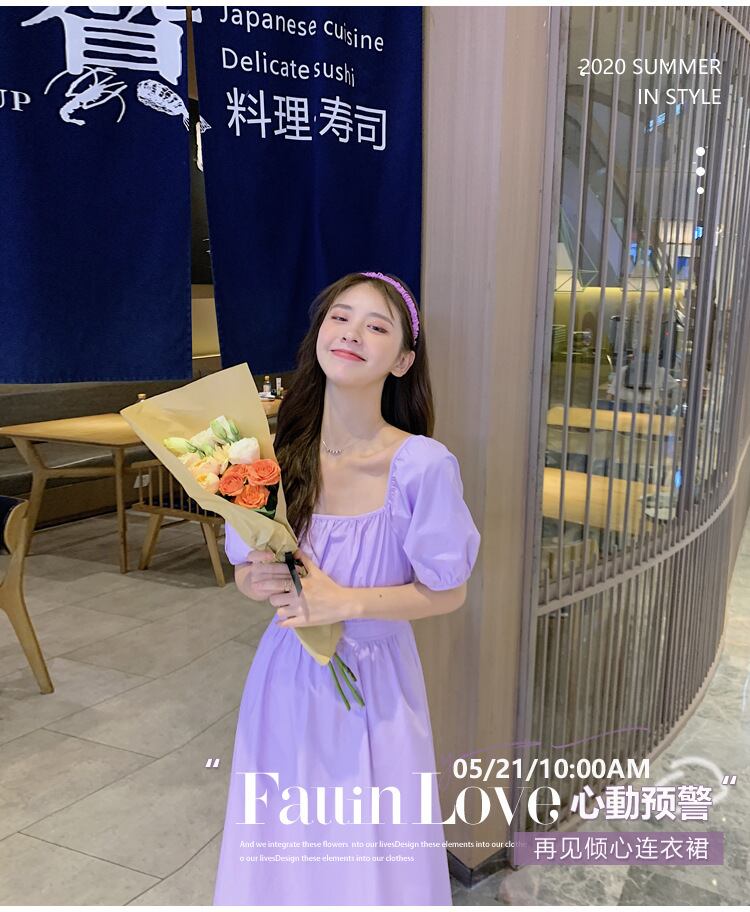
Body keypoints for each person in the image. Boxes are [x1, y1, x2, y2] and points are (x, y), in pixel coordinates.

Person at [212, 271, 481, 905]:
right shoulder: (271, 455)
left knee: (372, 846)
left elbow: (450, 591)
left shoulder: (422, 464)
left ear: (403, 360)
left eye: (376, 326)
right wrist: (261, 580)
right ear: (319, 336)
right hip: (284, 676)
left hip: (376, 685)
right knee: (285, 844)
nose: (352, 333)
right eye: (340, 317)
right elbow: (245, 573)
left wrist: (346, 602)